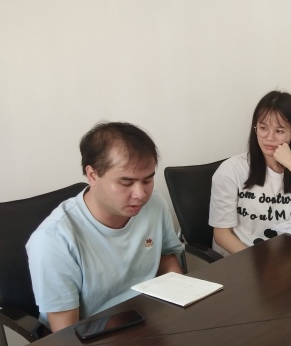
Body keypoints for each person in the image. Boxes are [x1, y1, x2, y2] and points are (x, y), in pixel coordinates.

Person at [26, 122, 184, 332]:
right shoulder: (54, 239)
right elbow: (66, 332)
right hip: (92, 334)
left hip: (149, 318)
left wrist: (182, 299)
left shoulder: (154, 204)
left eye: (147, 180)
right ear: (92, 175)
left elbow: (165, 257)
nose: (140, 194)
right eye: (126, 183)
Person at [209, 90, 291, 255]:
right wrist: (252, 265)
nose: (269, 137)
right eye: (263, 128)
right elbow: (221, 235)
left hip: (282, 260)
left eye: (279, 131)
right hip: (241, 260)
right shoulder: (231, 171)